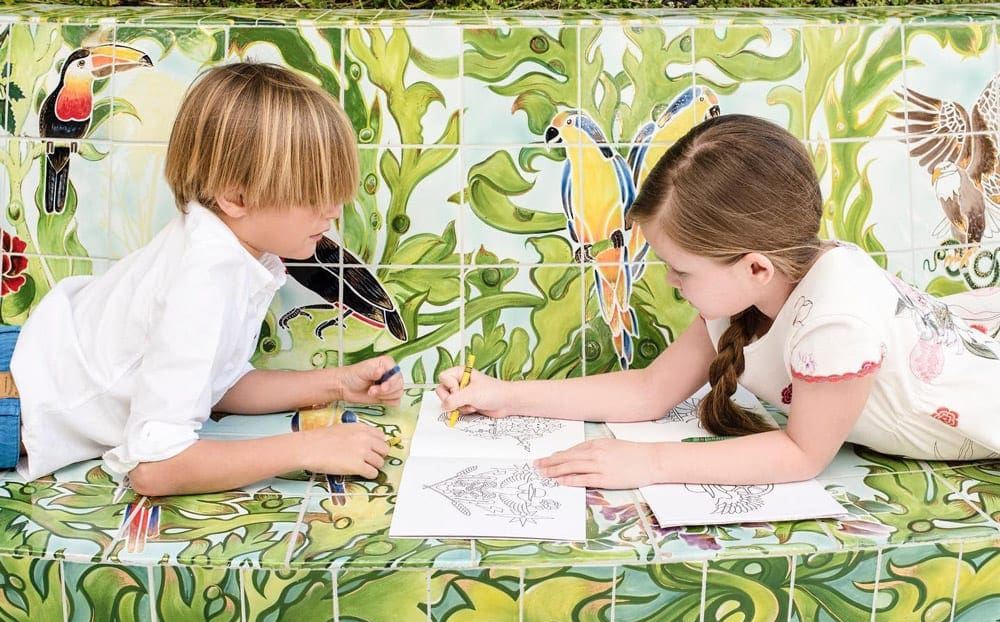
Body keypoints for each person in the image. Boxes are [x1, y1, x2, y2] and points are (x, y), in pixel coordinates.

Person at [437, 113, 1000, 490]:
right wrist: (506, 395)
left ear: (756, 267)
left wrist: (649, 464)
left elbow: (801, 456)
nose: (669, 282)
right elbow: (648, 391)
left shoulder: (837, 320)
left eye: (679, 270)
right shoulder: (748, 291)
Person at [2, 62, 403, 495]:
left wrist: (339, 383)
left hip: (28, 356)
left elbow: (218, 383)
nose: (334, 211)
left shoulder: (225, 250)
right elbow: (155, 468)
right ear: (235, 196)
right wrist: (308, 448)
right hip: (18, 401)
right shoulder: (205, 281)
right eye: (312, 194)